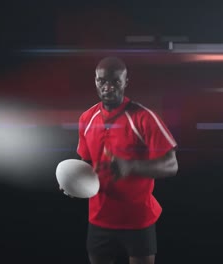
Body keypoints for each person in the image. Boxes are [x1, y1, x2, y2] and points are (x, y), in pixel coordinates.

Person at [69, 56, 178, 264]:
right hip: (99, 217)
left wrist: (132, 165)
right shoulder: (86, 118)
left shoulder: (144, 118)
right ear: (95, 80)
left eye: (115, 81)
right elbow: (86, 163)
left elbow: (172, 165)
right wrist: (73, 182)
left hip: (138, 219)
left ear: (126, 81)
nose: (108, 87)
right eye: (102, 81)